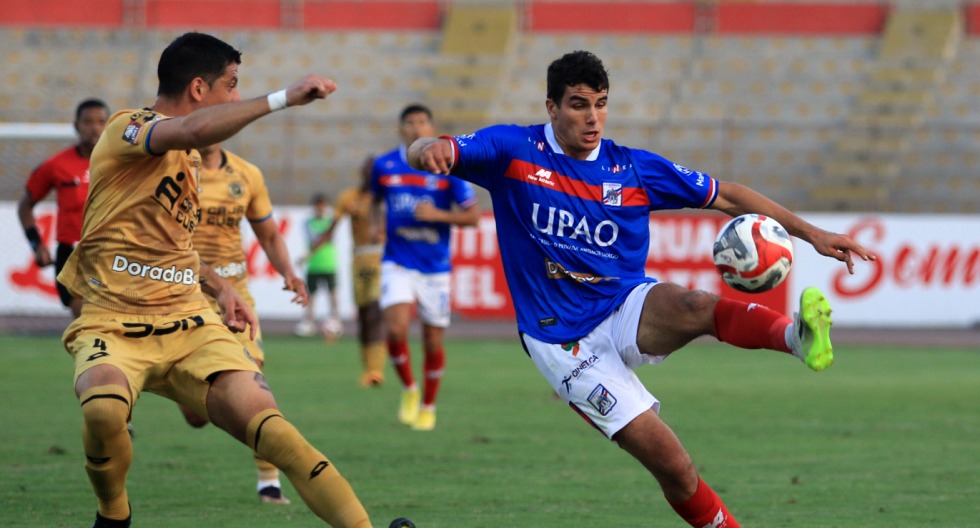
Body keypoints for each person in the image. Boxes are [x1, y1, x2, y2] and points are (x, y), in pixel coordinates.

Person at [407, 50, 876, 526]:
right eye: (578, 105)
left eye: (601, 104)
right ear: (552, 107)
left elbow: (728, 196)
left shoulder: (632, 169)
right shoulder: (512, 150)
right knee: (677, 468)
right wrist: (429, 148)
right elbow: (423, 148)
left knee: (694, 303)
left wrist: (813, 234)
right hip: (562, 340)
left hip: (622, 304)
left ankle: (797, 338)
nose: (593, 118)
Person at [58, 32, 405, 528]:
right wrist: (282, 98)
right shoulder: (126, 128)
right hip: (113, 321)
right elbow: (187, 129)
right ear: (199, 88)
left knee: (275, 431)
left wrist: (219, 286)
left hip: (190, 322)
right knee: (103, 410)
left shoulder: (193, 161)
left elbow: (174, 244)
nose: (237, 95)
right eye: (233, 84)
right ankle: (114, 514)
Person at [181, 142, 310, 504]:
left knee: (254, 378)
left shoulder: (247, 174)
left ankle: (269, 482)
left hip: (235, 296)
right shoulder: (175, 168)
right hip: (186, 296)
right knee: (196, 416)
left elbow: (268, 234)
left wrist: (289, 272)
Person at [370, 104, 481, 431]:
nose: (416, 128)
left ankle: (428, 405)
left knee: (433, 341)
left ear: (431, 127)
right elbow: (374, 201)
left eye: (422, 122)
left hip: (435, 268)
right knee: (395, 329)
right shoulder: (384, 165)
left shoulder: (447, 168)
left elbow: (473, 216)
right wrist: (376, 226)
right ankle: (409, 388)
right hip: (397, 261)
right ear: (401, 129)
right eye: (410, 122)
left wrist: (438, 215)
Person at [17, 98, 109, 317]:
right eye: (87, 122)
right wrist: (36, 244)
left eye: (101, 122)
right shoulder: (57, 165)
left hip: (112, 251)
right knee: (87, 323)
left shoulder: (122, 163)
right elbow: (25, 207)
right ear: (76, 125)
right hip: (73, 254)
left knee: (118, 324)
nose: (94, 128)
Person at [325, 156, 387, 387]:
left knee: (375, 310)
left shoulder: (387, 197)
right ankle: (368, 369)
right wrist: (311, 251)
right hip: (359, 258)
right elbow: (332, 228)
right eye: (367, 170)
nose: (370, 175)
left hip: (381, 258)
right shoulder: (349, 197)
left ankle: (377, 369)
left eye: (375, 171)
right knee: (363, 315)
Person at [295, 193, 342, 340]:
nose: (320, 208)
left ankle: (336, 320)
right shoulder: (308, 223)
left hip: (329, 263)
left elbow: (327, 238)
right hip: (314, 264)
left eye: (323, 205)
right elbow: (315, 238)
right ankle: (308, 322)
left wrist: (306, 254)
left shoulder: (330, 221)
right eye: (318, 205)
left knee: (332, 294)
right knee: (311, 295)